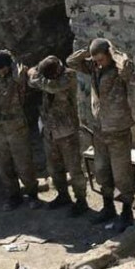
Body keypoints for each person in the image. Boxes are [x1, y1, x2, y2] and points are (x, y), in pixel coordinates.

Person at [67, 38, 135, 232]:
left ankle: (127, 212)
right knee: (102, 170)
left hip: (118, 129)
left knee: (122, 174)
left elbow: (128, 70)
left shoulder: (119, 70)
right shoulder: (94, 67)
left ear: (109, 55)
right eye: (95, 59)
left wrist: (114, 53)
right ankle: (108, 207)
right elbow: (71, 62)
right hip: (100, 129)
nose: (98, 63)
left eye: (101, 59)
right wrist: (88, 51)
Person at [27, 55, 88, 217]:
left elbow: (51, 87)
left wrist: (34, 75)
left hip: (67, 131)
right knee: (54, 168)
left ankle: (81, 200)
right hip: (50, 131)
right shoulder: (45, 76)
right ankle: (63, 195)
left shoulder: (68, 76)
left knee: (74, 169)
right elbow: (31, 82)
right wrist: (35, 73)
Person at [0, 50, 42, 211]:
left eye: (4, 69)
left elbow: (21, 74)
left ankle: (32, 194)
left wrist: (12, 60)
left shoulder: (18, 73)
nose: (1, 72)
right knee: (4, 165)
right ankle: (13, 196)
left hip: (16, 126)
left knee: (24, 163)